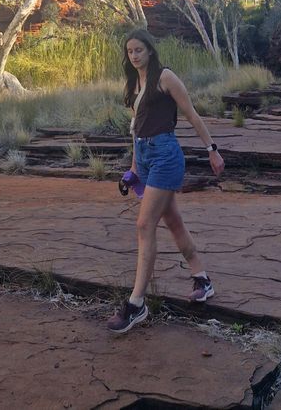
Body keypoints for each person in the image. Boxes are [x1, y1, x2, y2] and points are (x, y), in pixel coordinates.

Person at [107, 29, 225, 335]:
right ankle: (203, 278)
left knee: (144, 224)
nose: (134, 56)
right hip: (145, 156)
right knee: (172, 221)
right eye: (130, 51)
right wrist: (133, 170)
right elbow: (135, 130)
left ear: (150, 50)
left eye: (139, 50)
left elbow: (191, 114)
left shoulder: (165, 77)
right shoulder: (134, 83)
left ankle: (136, 304)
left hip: (166, 155)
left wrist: (212, 150)